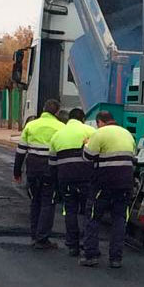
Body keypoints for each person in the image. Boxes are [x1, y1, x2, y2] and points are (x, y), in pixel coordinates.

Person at [82, 111, 137, 268]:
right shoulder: (127, 134)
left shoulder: (99, 134)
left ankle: (91, 255)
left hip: (103, 185)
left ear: (100, 122)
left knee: (93, 218)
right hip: (125, 185)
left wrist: (85, 144)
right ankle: (116, 258)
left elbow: (88, 156)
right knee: (119, 220)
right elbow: (133, 158)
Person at [14, 100, 64, 250]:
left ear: (43, 109)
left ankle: (34, 235)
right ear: (57, 112)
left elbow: (21, 151)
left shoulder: (31, 125)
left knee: (35, 201)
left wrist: (17, 172)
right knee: (48, 202)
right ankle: (42, 238)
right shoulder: (61, 127)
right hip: (50, 168)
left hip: (33, 168)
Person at [50, 108, 97, 255]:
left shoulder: (57, 135)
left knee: (70, 211)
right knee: (88, 212)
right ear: (82, 119)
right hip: (86, 178)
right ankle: (87, 244)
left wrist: (56, 183)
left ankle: (72, 245)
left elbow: (52, 163)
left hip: (66, 178)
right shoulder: (90, 131)